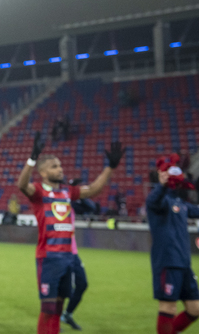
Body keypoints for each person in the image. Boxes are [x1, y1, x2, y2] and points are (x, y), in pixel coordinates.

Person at [16, 132, 124, 334]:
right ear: (43, 172)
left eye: (60, 165)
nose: (60, 169)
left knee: (58, 307)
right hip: (49, 257)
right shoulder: (38, 191)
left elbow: (92, 189)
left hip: (68, 257)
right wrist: (32, 159)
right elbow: (22, 185)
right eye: (54, 166)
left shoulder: (67, 191)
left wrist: (110, 168)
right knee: (47, 308)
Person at [147, 153, 199, 334]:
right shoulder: (158, 201)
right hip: (168, 262)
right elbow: (153, 200)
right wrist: (163, 185)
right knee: (168, 308)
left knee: (195, 310)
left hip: (184, 263)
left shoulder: (180, 203)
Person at [61, 180, 97, 331]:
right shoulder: (56, 202)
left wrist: (79, 194)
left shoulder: (72, 203)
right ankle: (55, 319)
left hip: (73, 252)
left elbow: (91, 207)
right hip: (58, 251)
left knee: (82, 284)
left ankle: (67, 314)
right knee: (61, 288)